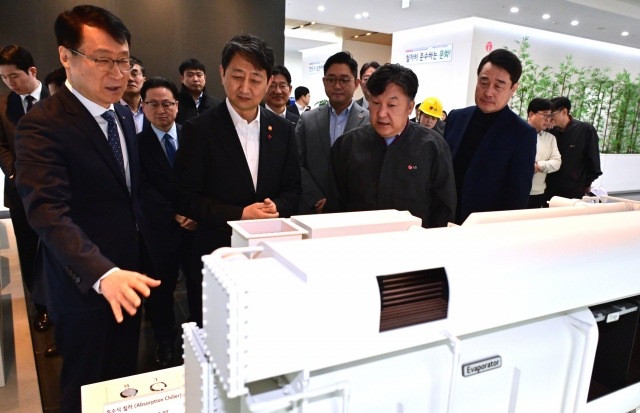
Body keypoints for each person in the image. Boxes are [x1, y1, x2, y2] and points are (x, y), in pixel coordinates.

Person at [14, 6, 161, 412]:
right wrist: (102, 273)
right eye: (103, 61)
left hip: (127, 277)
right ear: (66, 57)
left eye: (124, 60)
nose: (118, 74)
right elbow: (47, 212)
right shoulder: (43, 124)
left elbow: (129, 195)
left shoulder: (120, 115)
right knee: (85, 388)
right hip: (83, 285)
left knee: (120, 385)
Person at [172, 34, 301, 327]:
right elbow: (183, 197)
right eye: (237, 76)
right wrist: (240, 215)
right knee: (215, 340)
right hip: (216, 256)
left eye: (255, 79)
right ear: (221, 73)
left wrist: (276, 207)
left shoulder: (282, 129)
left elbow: (293, 188)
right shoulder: (199, 129)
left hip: (269, 257)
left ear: (269, 82)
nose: (245, 88)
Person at [326, 63, 456, 228]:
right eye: (375, 103)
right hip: (358, 245)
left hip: (414, 247)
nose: (381, 113)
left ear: (410, 107)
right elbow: (334, 210)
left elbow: (443, 213)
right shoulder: (346, 146)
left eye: (392, 105)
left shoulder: (433, 148)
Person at [138, 77, 195, 367]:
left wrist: (194, 212)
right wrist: (174, 213)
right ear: (143, 106)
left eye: (167, 104)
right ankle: (163, 341)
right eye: (153, 104)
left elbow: (206, 179)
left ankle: (200, 338)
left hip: (196, 227)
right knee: (161, 291)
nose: (161, 110)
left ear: (176, 105)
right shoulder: (136, 144)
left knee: (198, 285)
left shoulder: (193, 135)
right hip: (160, 229)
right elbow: (142, 188)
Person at [444, 49, 537, 224]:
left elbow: (518, 195)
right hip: (444, 219)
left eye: (498, 86)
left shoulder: (522, 133)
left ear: (513, 88)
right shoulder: (456, 117)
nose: (488, 92)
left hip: (484, 226)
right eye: (484, 82)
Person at [0, 45, 51, 335]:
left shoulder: (56, 97)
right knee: (29, 249)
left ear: (32, 71)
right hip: (21, 192)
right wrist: (14, 169)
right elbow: (1, 145)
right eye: (4, 77)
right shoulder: (3, 105)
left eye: (14, 75)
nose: (10, 82)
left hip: (59, 190)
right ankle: (41, 306)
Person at [295, 51, 369, 215]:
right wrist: (316, 197)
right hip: (311, 208)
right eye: (331, 79)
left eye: (344, 80)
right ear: (324, 81)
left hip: (352, 210)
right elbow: (297, 164)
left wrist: (339, 201)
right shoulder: (307, 120)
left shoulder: (369, 121)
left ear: (356, 83)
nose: (337, 86)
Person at [545, 96, 602, 200]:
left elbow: (593, 160)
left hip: (573, 189)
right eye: (548, 115)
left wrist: (587, 183)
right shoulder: (550, 131)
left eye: (552, 114)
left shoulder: (585, 130)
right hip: (549, 188)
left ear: (564, 112)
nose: (550, 118)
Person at [527, 98, 561, 208]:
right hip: (513, 190)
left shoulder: (550, 138)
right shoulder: (516, 134)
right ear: (531, 114)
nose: (548, 119)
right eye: (545, 115)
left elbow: (556, 163)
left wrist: (539, 166)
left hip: (537, 192)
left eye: (550, 116)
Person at [175, 58, 221, 124]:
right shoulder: (174, 103)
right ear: (182, 78)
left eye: (199, 75)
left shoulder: (217, 105)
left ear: (204, 78)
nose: (195, 79)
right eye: (190, 75)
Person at [120, 56, 147, 132]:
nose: (130, 79)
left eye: (134, 74)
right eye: (125, 74)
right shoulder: (111, 109)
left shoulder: (152, 108)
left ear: (144, 79)